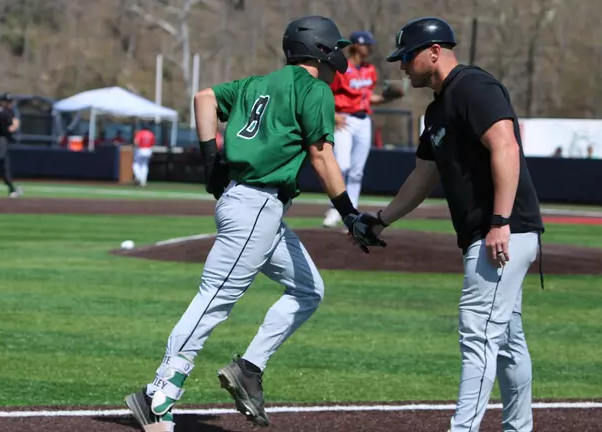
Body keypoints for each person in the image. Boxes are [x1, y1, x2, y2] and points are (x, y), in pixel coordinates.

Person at [124, 15, 385, 432]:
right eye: (333, 46)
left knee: (308, 289)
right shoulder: (314, 88)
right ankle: (158, 394)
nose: (340, 53)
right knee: (214, 299)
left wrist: (210, 156)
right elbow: (320, 156)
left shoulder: (256, 84)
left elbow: (204, 97)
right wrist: (349, 212)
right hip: (256, 205)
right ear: (320, 49)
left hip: (249, 204)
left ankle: (248, 367)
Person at [370, 17, 545, 432]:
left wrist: (499, 221)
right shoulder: (436, 110)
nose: (402, 66)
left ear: (434, 52)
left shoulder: (474, 87)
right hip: (496, 233)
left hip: (503, 233)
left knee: (478, 334)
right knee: (505, 342)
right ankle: (519, 428)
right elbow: (422, 177)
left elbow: (506, 146)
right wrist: (380, 221)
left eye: (407, 57)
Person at [322, 30, 404, 228]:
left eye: (369, 44)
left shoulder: (370, 70)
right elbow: (325, 93)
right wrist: (332, 115)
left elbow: (367, 97)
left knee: (357, 171)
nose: (369, 47)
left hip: (363, 120)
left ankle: (352, 212)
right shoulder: (342, 68)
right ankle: (336, 207)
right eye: (365, 44)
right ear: (355, 45)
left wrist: (387, 97)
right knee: (342, 166)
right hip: (344, 119)